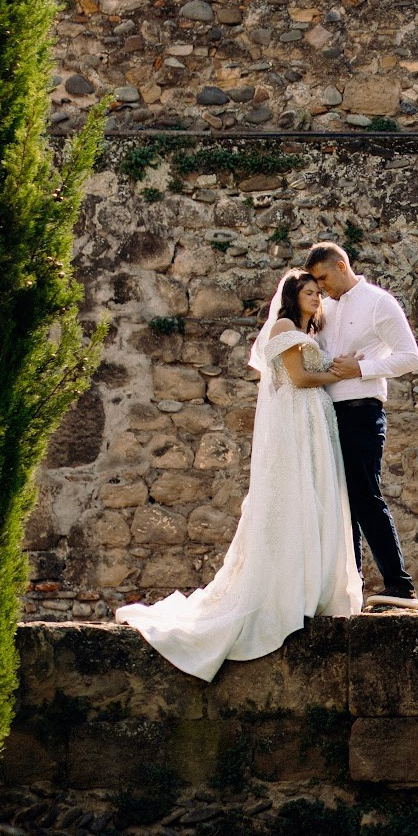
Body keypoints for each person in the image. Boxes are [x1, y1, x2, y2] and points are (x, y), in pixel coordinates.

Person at [117, 271, 360, 679]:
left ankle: (313, 585)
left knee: (315, 496)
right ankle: (283, 591)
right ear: (292, 296)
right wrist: (340, 374)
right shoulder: (284, 326)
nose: (317, 298)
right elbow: (298, 378)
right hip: (299, 421)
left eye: (319, 293)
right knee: (294, 495)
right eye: (309, 293)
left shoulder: (309, 330)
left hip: (316, 423)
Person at [304, 240, 418, 612]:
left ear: (341, 265)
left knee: (365, 496)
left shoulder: (379, 302)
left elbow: (411, 358)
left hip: (362, 410)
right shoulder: (322, 310)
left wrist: (362, 368)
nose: (321, 288)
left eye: (323, 278)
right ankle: (350, 585)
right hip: (326, 413)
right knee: (339, 501)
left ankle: (400, 586)